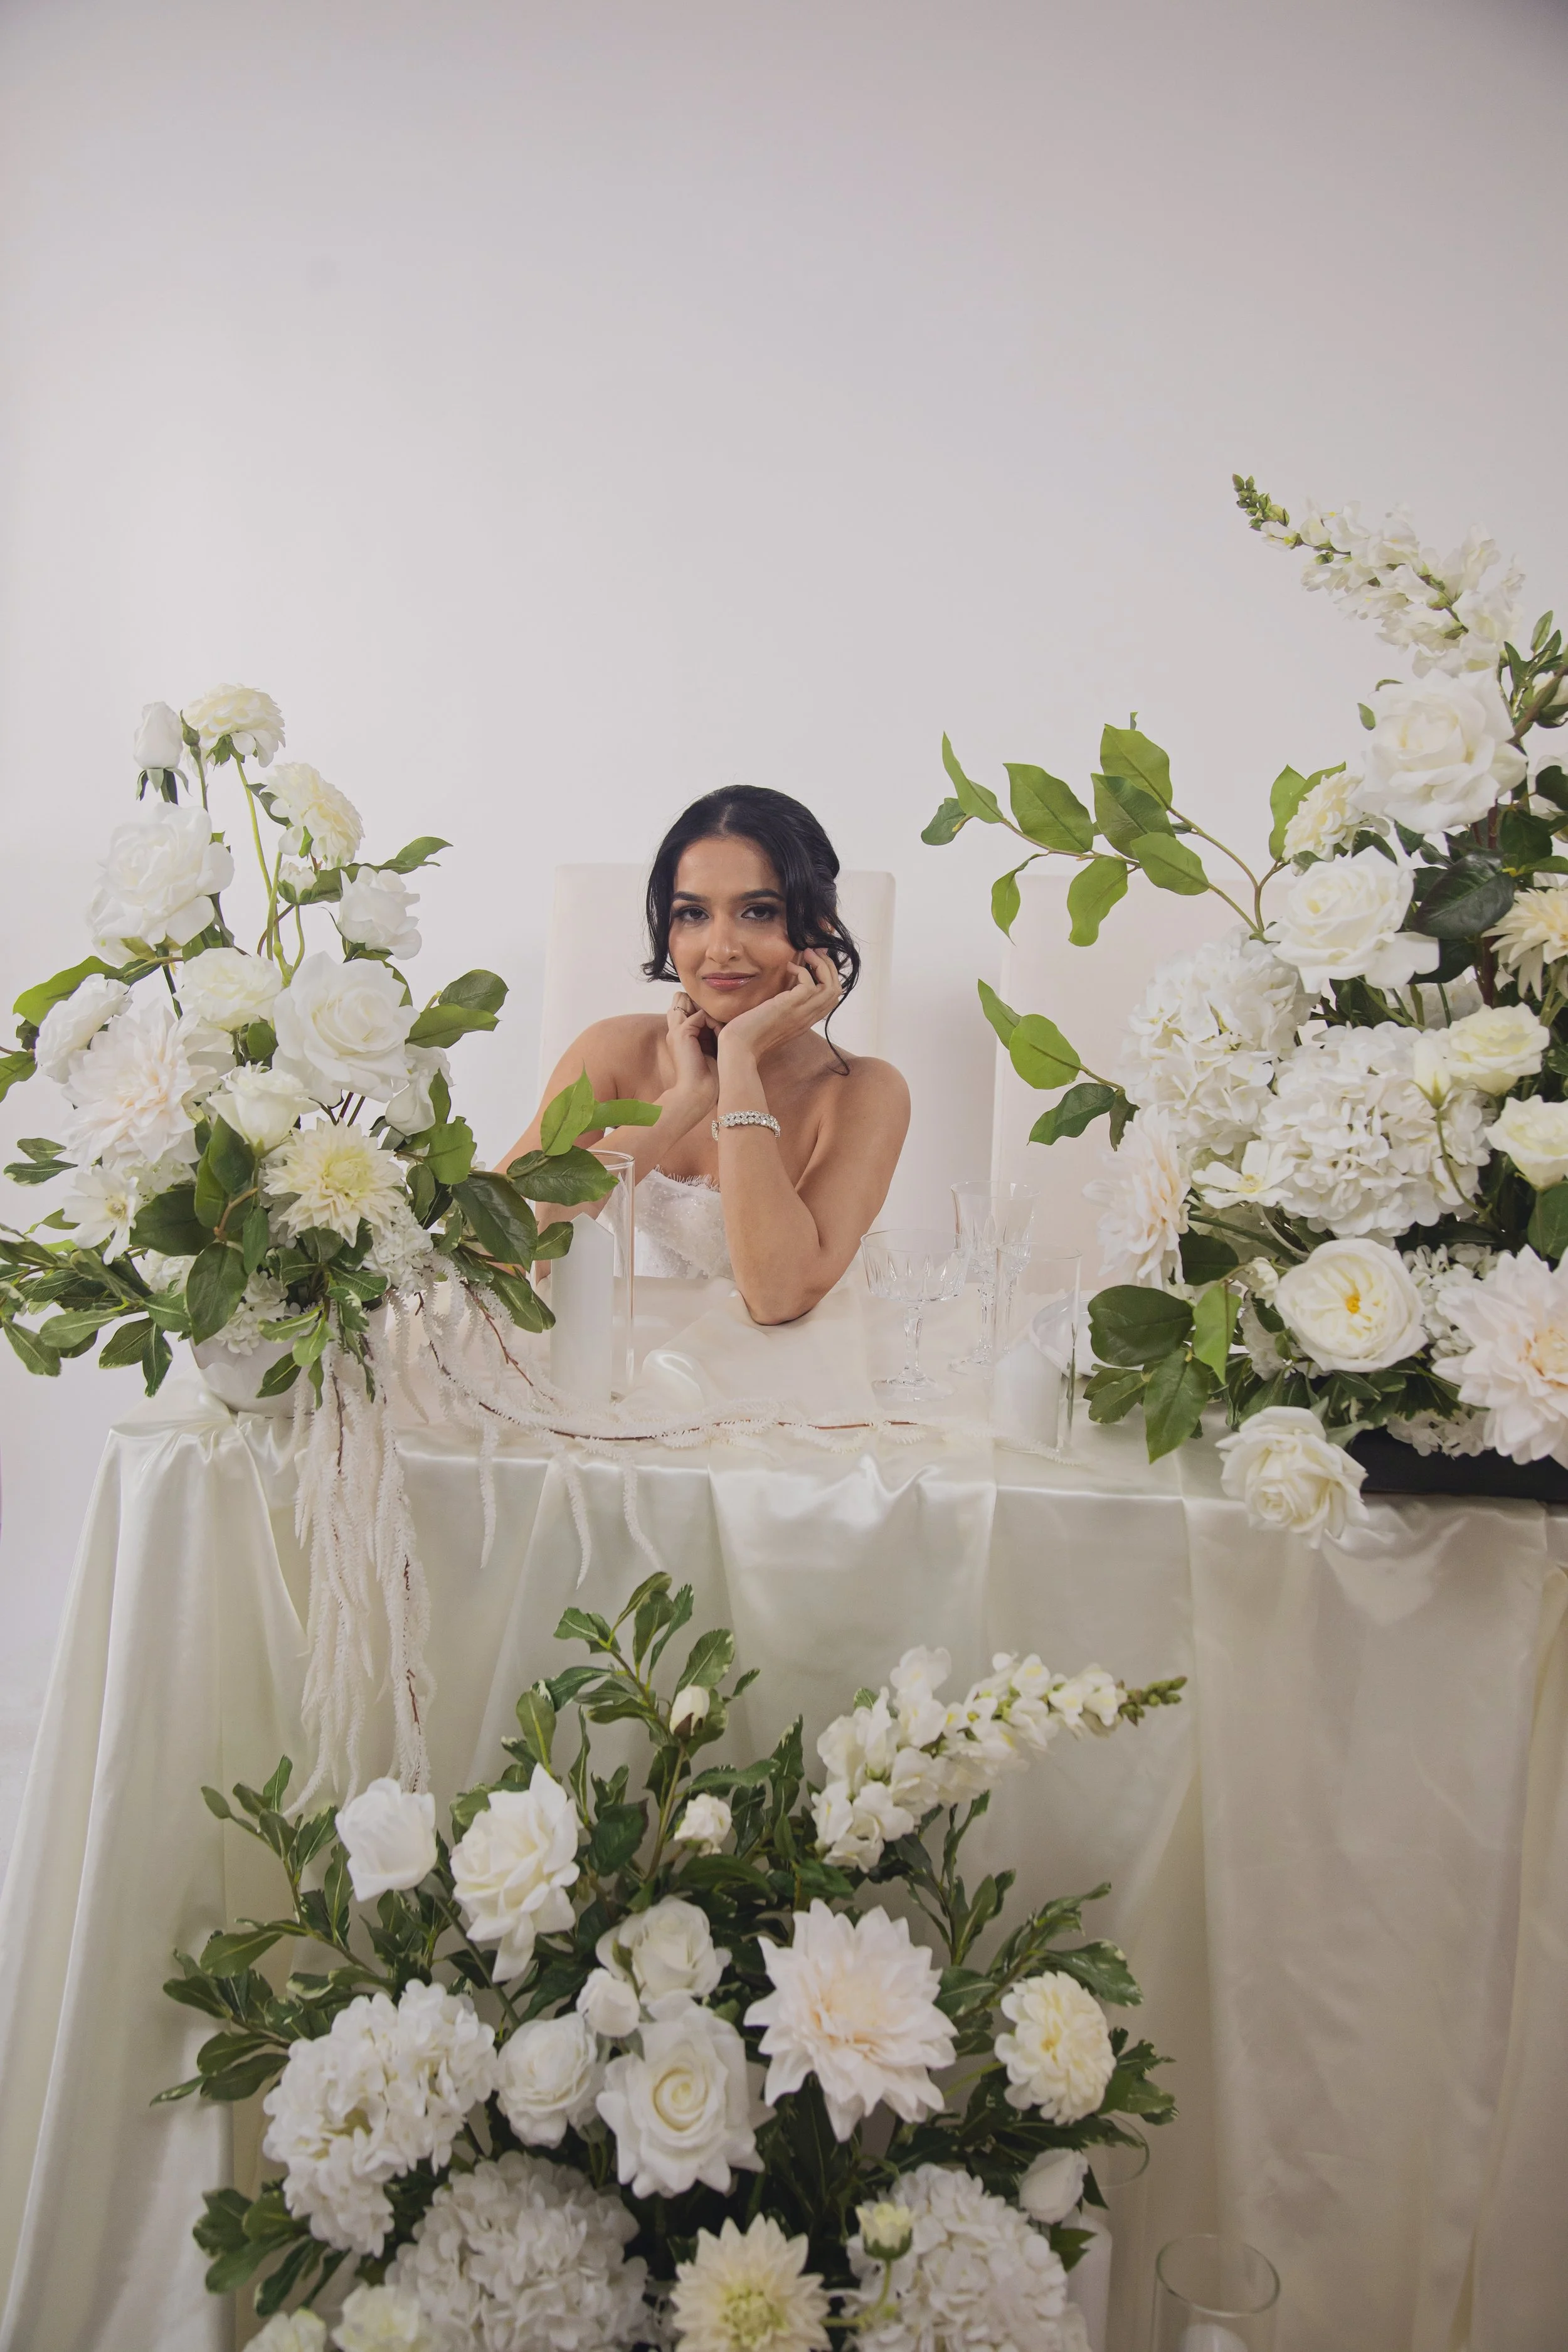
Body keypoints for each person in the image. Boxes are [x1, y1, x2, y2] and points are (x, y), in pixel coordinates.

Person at [502, 787, 909, 1323]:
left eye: (759, 911)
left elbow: (776, 1298)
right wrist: (685, 1100)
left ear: (819, 927)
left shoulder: (863, 1092)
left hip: (793, 1382)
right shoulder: (614, 1053)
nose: (720, 947)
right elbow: (501, 1249)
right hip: (634, 1364)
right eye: (693, 913)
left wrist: (739, 1059)